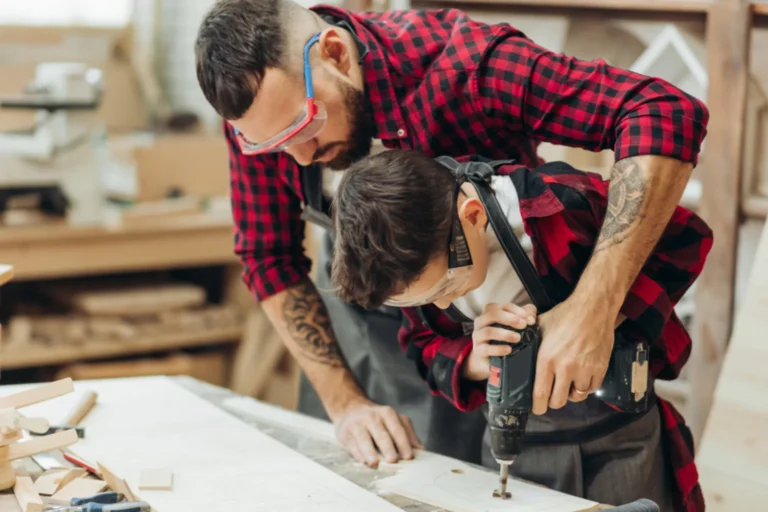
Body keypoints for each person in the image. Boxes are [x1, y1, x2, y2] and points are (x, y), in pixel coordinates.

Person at [194, 0, 708, 476]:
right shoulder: (264, 116)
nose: (302, 158)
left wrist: (591, 311)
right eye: (276, 146)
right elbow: (269, 257)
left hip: (477, 320)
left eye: (306, 126)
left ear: (334, 53)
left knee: (461, 480)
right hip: (371, 334)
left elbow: (661, 111)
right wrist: (345, 404)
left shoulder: (468, 65)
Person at [330, 149, 713, 511]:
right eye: (428, 299)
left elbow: (686, 241)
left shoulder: (560, 205)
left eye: (446, 287)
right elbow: (423, 346)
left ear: (475, 216)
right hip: (516, 443)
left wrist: (591, 317)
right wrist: (473, 359)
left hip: (619, 435)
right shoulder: (410, 262)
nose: (444, 305)